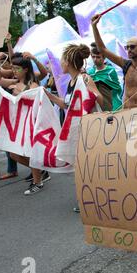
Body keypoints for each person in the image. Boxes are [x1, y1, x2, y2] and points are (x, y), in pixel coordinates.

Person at [43, 44, 104, 211]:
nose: (60, 63)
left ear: (68, 61)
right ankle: (88, 198)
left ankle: (93, 199)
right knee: (81, 167)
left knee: (87, 167)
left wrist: (91, 96)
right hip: (76, 131)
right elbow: (67, 105)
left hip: (88, 131)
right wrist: (48, 95)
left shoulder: (84, 79)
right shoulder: (71, 82)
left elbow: (100, 100)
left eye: (62, 60)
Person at [0, 54, 51, 194]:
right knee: (14, 154)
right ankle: (40, 170)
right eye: (13, 68)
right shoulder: (14, 82)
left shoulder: (32, 84)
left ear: (25, 69)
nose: (14, 71)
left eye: (17, 68)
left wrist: (18, 93)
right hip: (18, 124)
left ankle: (37, 182)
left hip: (30, 124)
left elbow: (33, 101)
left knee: (30, 152)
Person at [91, 14, 137, 109]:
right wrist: (94, 27)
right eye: (127, 47)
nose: (129, 49)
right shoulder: (125, 64)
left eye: (132, 47)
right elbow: (102, 49)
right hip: (126, 113)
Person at [88, 43, 122, 112]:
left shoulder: (110, 71)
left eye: (98, 57)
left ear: (104, 58)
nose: (95, 59)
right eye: (93, 57)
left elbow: (117, 89)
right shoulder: (90, 72)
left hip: (112, 105)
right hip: (98, 108)